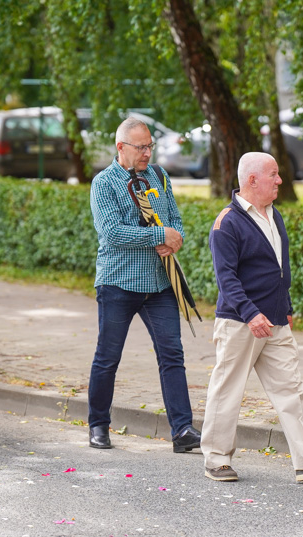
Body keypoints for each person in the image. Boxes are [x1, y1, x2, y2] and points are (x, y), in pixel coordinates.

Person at [202, 151, 303, 483]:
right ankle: (216, 459)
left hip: (276, 320)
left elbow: (280, 269)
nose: (280, 180)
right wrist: (251, 314)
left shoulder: (273, 214)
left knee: (290, 389)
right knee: (228, 390)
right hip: (241, 322)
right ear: (252, 180)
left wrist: (287, 306)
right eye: (274, 174)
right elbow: (227, 280)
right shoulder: (227, 223)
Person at [87, 117, 200, 452]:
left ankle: (182, 431)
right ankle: (98, 425)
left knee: (172, 355)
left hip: (159, 284)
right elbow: (112, 231)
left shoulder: (159, 176)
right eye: (141, 147)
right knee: (108, 357)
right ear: (121, 147)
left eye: (150, 145)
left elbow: (174, 218)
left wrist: (173, 238)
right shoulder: (104, 183)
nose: (148, 152)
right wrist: (157, 234)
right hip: (118, 284)